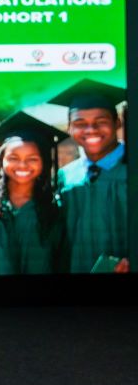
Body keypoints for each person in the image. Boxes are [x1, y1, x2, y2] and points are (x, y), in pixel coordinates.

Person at [50, 79, 129, 274]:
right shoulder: (65, 176)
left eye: (101, 122)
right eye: (80, 123)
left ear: (117, 123)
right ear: (69, 128)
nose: (91, 129)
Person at [0, 112, 68, 275]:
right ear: (1, 160)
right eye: (13, 158)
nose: (22, 165)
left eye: (32, 159)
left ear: (44, 162)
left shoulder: (53, 208)